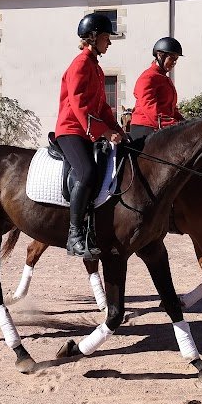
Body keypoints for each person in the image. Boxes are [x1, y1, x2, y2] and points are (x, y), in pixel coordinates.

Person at [55, 13, 125, 259]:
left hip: (88, 132)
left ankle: (91, 229)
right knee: (86, 173)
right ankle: (74, 235)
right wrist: (103, 132)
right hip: (71, 130)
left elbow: (103, 107)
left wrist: (117, 128)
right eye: (107, 37)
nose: (110, 42)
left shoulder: (96, 67)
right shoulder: (80, 65)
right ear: (93, 38)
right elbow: (79, 105)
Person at [129, 37, 185, 140]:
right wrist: (175, 126)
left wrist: (184, 123)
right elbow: (150, 108)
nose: (174, 63)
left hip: (162, 126)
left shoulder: (164, 78)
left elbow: (171, 109)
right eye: (171, 58)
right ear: (160, 56)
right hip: (145, 128)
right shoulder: (148, 77)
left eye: (176, 60)